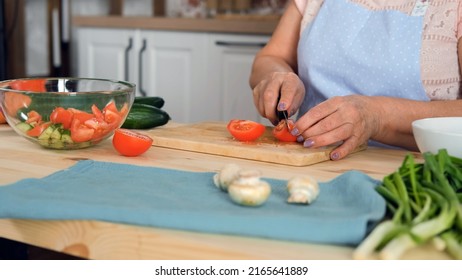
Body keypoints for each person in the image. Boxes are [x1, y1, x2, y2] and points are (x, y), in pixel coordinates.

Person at [249, 0, 462, 160]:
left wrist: (377, 116)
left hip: (411, 177)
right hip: (307, 166)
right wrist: (276, 77)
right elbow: (272, 57)